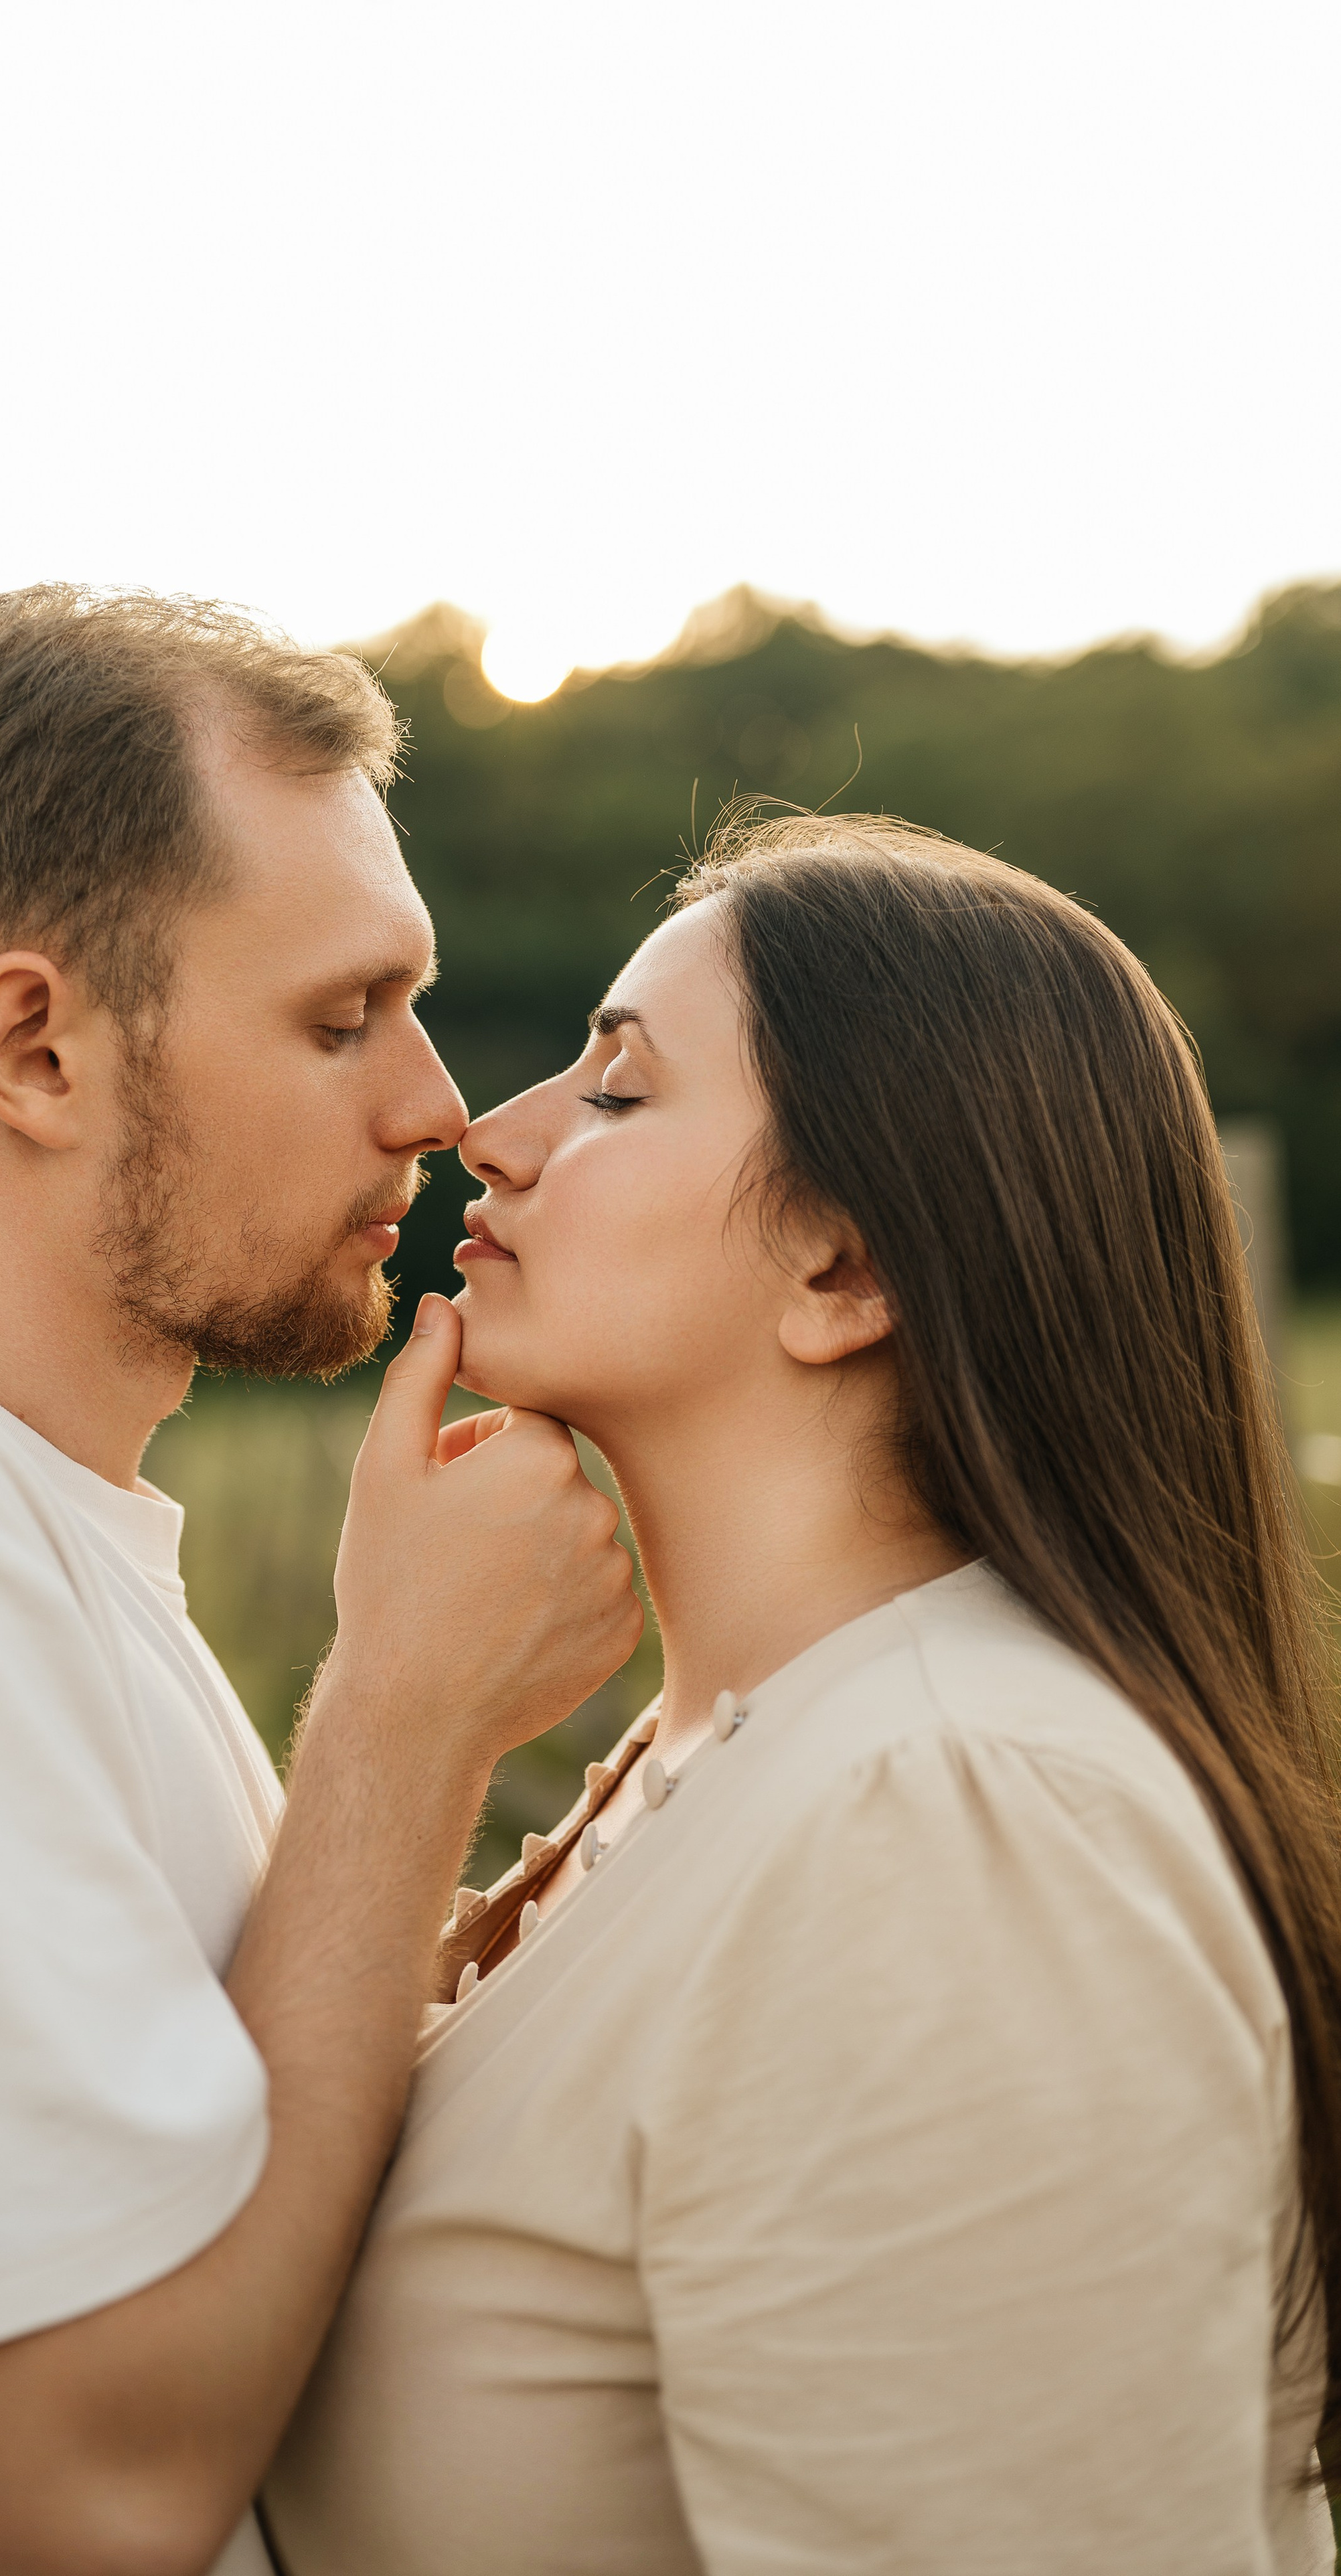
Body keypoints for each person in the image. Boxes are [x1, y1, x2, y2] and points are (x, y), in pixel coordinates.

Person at [0, 586, 641, 2576]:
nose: (435, 1104)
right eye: (341, 1018)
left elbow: (195, 2157)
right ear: (35, 1050)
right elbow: (90, 2498)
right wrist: (405, 1715)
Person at [266, 813, 1341, 2575]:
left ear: (844, 1269)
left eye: (619, 1090)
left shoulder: (956, 1821)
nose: (491, 1132)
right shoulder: (733, 1758)